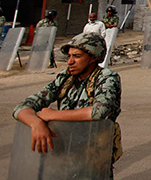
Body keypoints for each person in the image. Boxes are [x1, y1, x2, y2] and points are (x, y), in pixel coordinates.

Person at [13, 33, 122, 173]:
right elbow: (22, 107)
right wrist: (36, 123)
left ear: (93, 57)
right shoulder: (65, 78)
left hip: (92, 157)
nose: (70, 61)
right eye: (69, 56)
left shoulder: (107, 77)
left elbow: (99, 111)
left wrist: (53, 114)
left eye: (76, 56)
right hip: (64, 153)